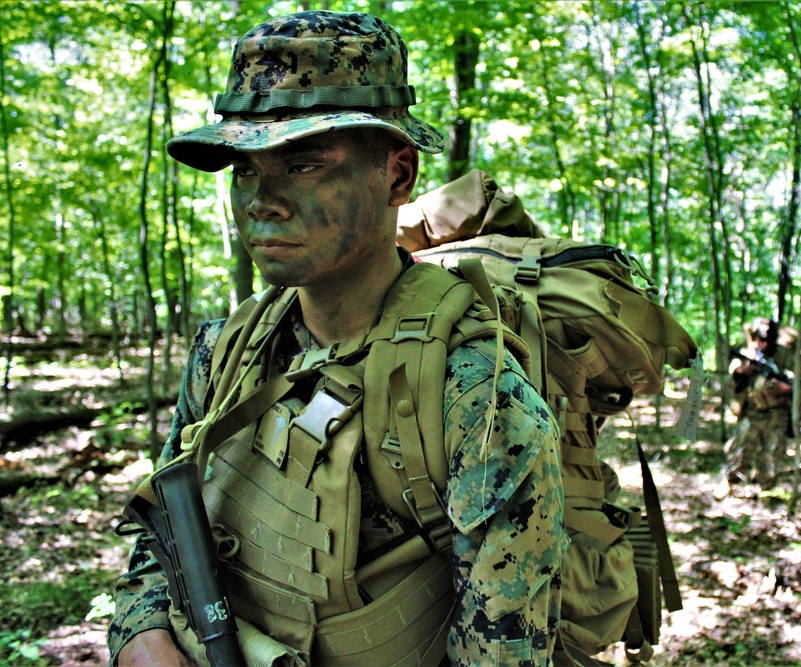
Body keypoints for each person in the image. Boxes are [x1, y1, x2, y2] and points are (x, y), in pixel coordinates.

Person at [108, 11, 567, 667]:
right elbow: (161, 537)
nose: (260, 199)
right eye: (243, 169)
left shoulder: (478, 398)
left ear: (398, 176)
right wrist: (142, 636)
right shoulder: (229, 350)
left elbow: (502, 652)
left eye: (302, 164)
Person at [723, 317, 797, 489]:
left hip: (777, 413)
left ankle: (767, 489)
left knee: (772, 454)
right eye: (761, 339)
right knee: (738, 448)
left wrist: (787, 388)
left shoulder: (785, 356)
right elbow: (730, 378)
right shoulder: (748, 353)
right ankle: (730, 482)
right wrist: (741, 372)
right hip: (752, 410)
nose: (764, 344)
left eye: (768, 340)